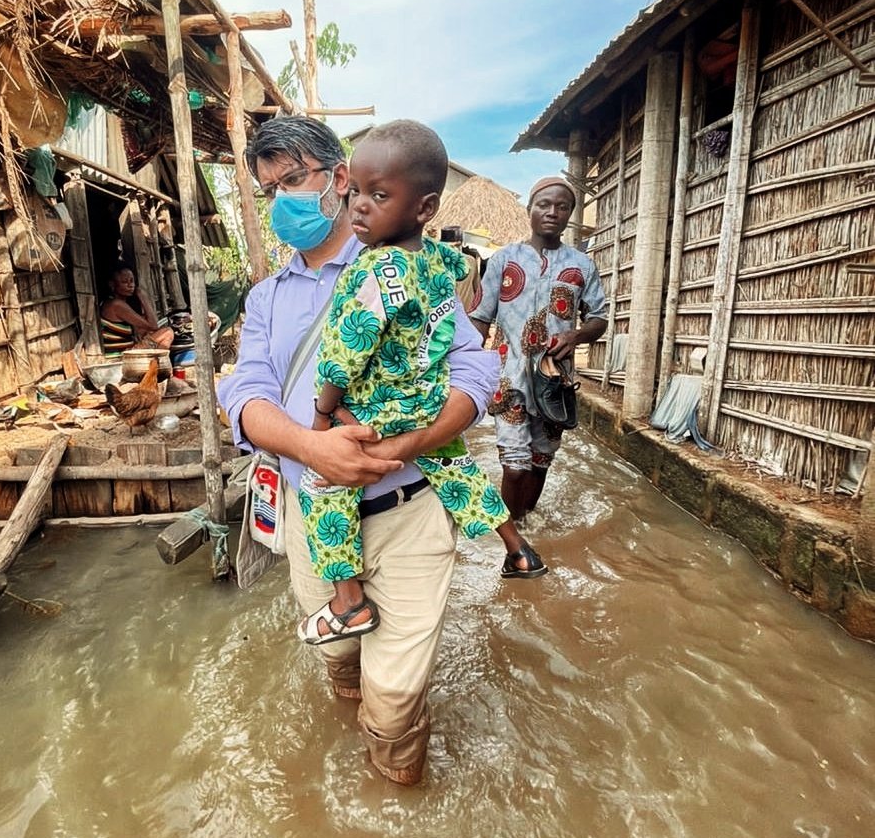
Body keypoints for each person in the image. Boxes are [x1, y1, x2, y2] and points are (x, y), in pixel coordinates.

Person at [216, 116, 497, 786]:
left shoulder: (407, 266)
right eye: (268, 188)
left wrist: (417, 441)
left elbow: (476, 368)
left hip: (409, 510)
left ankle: (394, 802)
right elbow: (246, 397)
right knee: (339, 659)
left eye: (293, 180)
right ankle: (352, 709)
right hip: (313, 514)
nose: (281, 199)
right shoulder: (265, 300)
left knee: (396, 703)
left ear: (338, 179)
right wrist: (315, 448)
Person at [298, 124, 547, 648]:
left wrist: (323, 418)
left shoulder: (377, 269)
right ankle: (518, 549)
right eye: (357, 193)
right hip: (428, 402)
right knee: (456, 467)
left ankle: (347, 602)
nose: (360, 207)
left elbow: (345, 350)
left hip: (376, 410)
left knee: (321, 485)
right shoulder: (435, 259)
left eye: (379, 195)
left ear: (424, 207)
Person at [469, 176, 609, 522]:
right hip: (509, 378)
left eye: (562, 207)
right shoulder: (503, 260)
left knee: (540, 463)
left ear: (570, 215)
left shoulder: (582, 266)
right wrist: (469, 370)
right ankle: (513, 539)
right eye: (544, 205)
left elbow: (600, 319)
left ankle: (528, 523)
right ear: (529, 210)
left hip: (553, 383)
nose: (552, 212)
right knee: (514, 467)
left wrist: (575, 336)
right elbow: (480, 318)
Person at [100, 266, 174, 354]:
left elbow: (146, 327)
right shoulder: (116, 304)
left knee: (147, 331)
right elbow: (153, 325)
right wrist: (143, 297)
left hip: (126, 351)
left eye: (132, 281)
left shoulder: (115, 303)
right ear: (112, 284)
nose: (130, 285)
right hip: (121, 355)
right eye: (124, 282)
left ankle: (156, 363)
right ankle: (160, 364)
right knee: (167, 332)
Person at [438, 225, 481, 313]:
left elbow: (478, 290)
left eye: (456, 246)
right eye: (449, 246)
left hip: (466, 315)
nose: (453, 249)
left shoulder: (470, 261)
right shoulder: (436, 263)